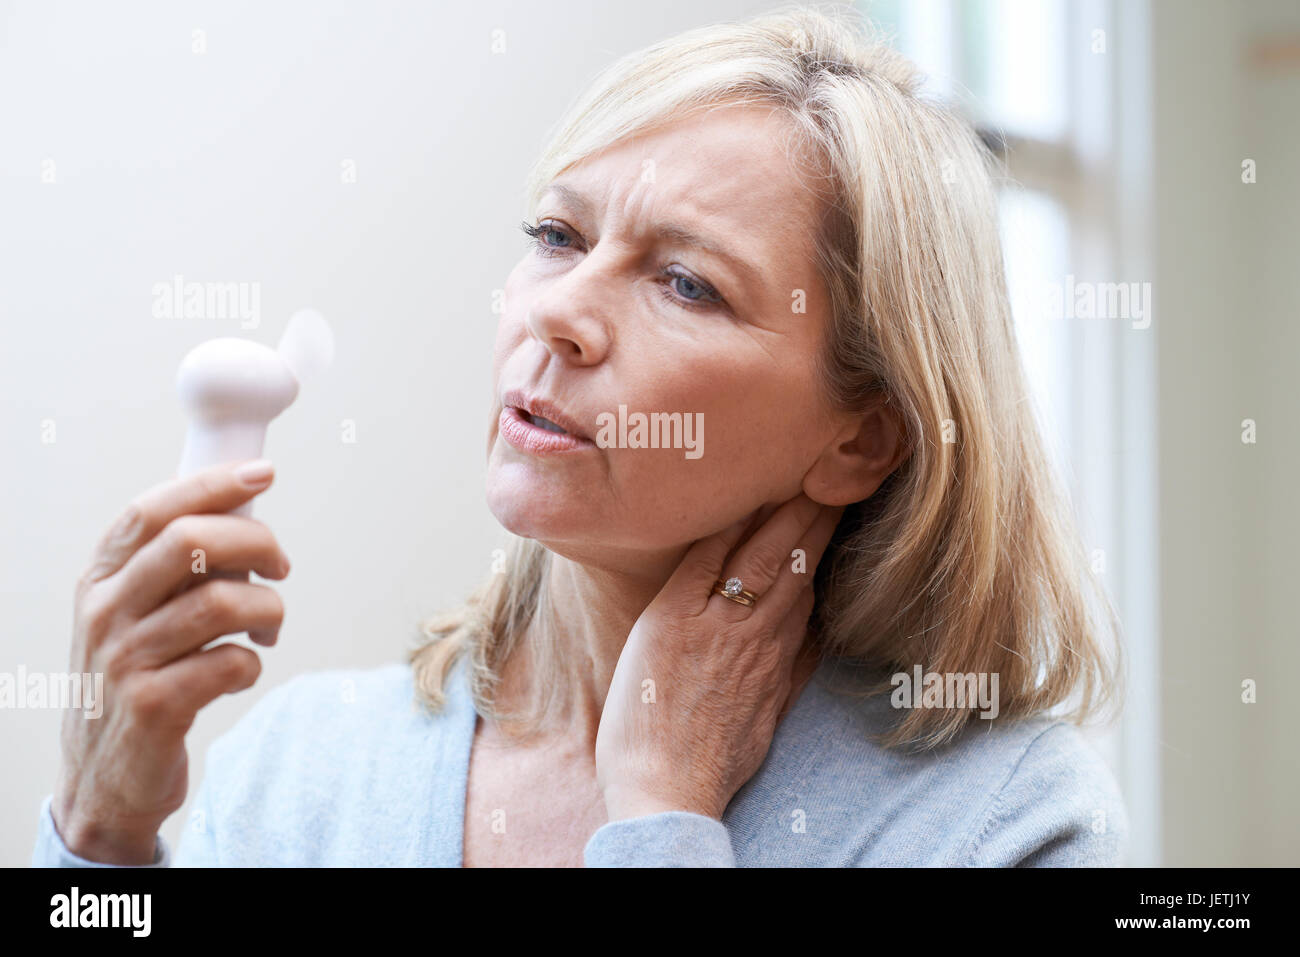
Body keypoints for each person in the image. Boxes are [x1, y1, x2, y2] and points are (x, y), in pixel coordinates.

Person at [33, 4, 1127, 868]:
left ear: (863, 439)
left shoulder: (993, 821)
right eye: (558, 234)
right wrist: (100, 831)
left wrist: (663, 819)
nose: (557, 310)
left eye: (687, 283)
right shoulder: (302, 770)